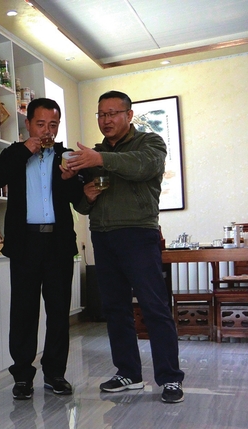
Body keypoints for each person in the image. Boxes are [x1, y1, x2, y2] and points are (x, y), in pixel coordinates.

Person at [66, 90, 185, 404]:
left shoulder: (150, 143)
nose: (106, 120)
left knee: (154, 306)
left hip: (138, 234)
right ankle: (128, 373)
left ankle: (170, 378)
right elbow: (82, 204)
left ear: (129, 115)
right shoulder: (93, 155)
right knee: (115, 309)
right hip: (103, 237)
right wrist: (85, 195)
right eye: (101, 114)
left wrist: (100, 159)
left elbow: (143, 167)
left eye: (113, 113)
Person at [0, 98, 84, 400]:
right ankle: (23, 376)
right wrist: (26, 148)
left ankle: (55, 374)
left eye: (52, 125)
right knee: (24, 311)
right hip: (25, 243)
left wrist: (71, 179)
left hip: (58, 243)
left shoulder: (65, 157)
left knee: (57, 312)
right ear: (28, 124)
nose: (46, 130)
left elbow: (77, 197)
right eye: (40, 124)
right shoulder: (15, 153)